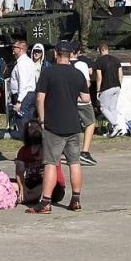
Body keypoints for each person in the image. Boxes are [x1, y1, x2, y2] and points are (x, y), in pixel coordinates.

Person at [29, 42, 86, 213]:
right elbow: (85, 98)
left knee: (51, 163)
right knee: (74, 162)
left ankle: (45, 202)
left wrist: (42, 118)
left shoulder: (48, 72)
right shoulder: (78, 74)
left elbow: (39, 98)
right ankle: (76, 199)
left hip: (54, 124)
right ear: (70, 54)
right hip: (74, 124)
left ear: (56, 53)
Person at [4, 40, 40, 139]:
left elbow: (23, 83)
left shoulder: (22, 64)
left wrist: (19, 101)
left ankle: (27, 142)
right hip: (30, 94)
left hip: (24, 96)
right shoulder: (28, 61)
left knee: (22, 121)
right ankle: (34, 142)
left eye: (14, 47)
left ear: (20, 49)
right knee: (31, 121)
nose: (12, 49)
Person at [93, 43, 127, 139]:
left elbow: (99, 77)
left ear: (100, 51)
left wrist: (98, 91)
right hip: (117, 86)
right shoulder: (116, 60)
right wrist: (119, 85)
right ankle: (113, 129)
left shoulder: (99, 61)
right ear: (108, 50)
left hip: (106, 87)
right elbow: (121, 74)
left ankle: (116, 125)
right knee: (112, 108)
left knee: (103, 108)